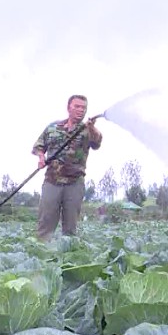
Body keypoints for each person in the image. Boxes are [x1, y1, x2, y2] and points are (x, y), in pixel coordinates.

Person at [31, 94, 103, 242]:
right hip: (52, 181)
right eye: (77, 106)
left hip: (74, 183)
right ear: (68, 108)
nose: (80, 110)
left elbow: (97, 142)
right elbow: (38, 146)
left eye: (84, 108)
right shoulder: (53, 128)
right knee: (45, 221)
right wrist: (41, 158)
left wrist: (91, 127)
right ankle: (42, 253)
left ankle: (68, 255)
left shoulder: (88, 130)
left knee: (70, 226)